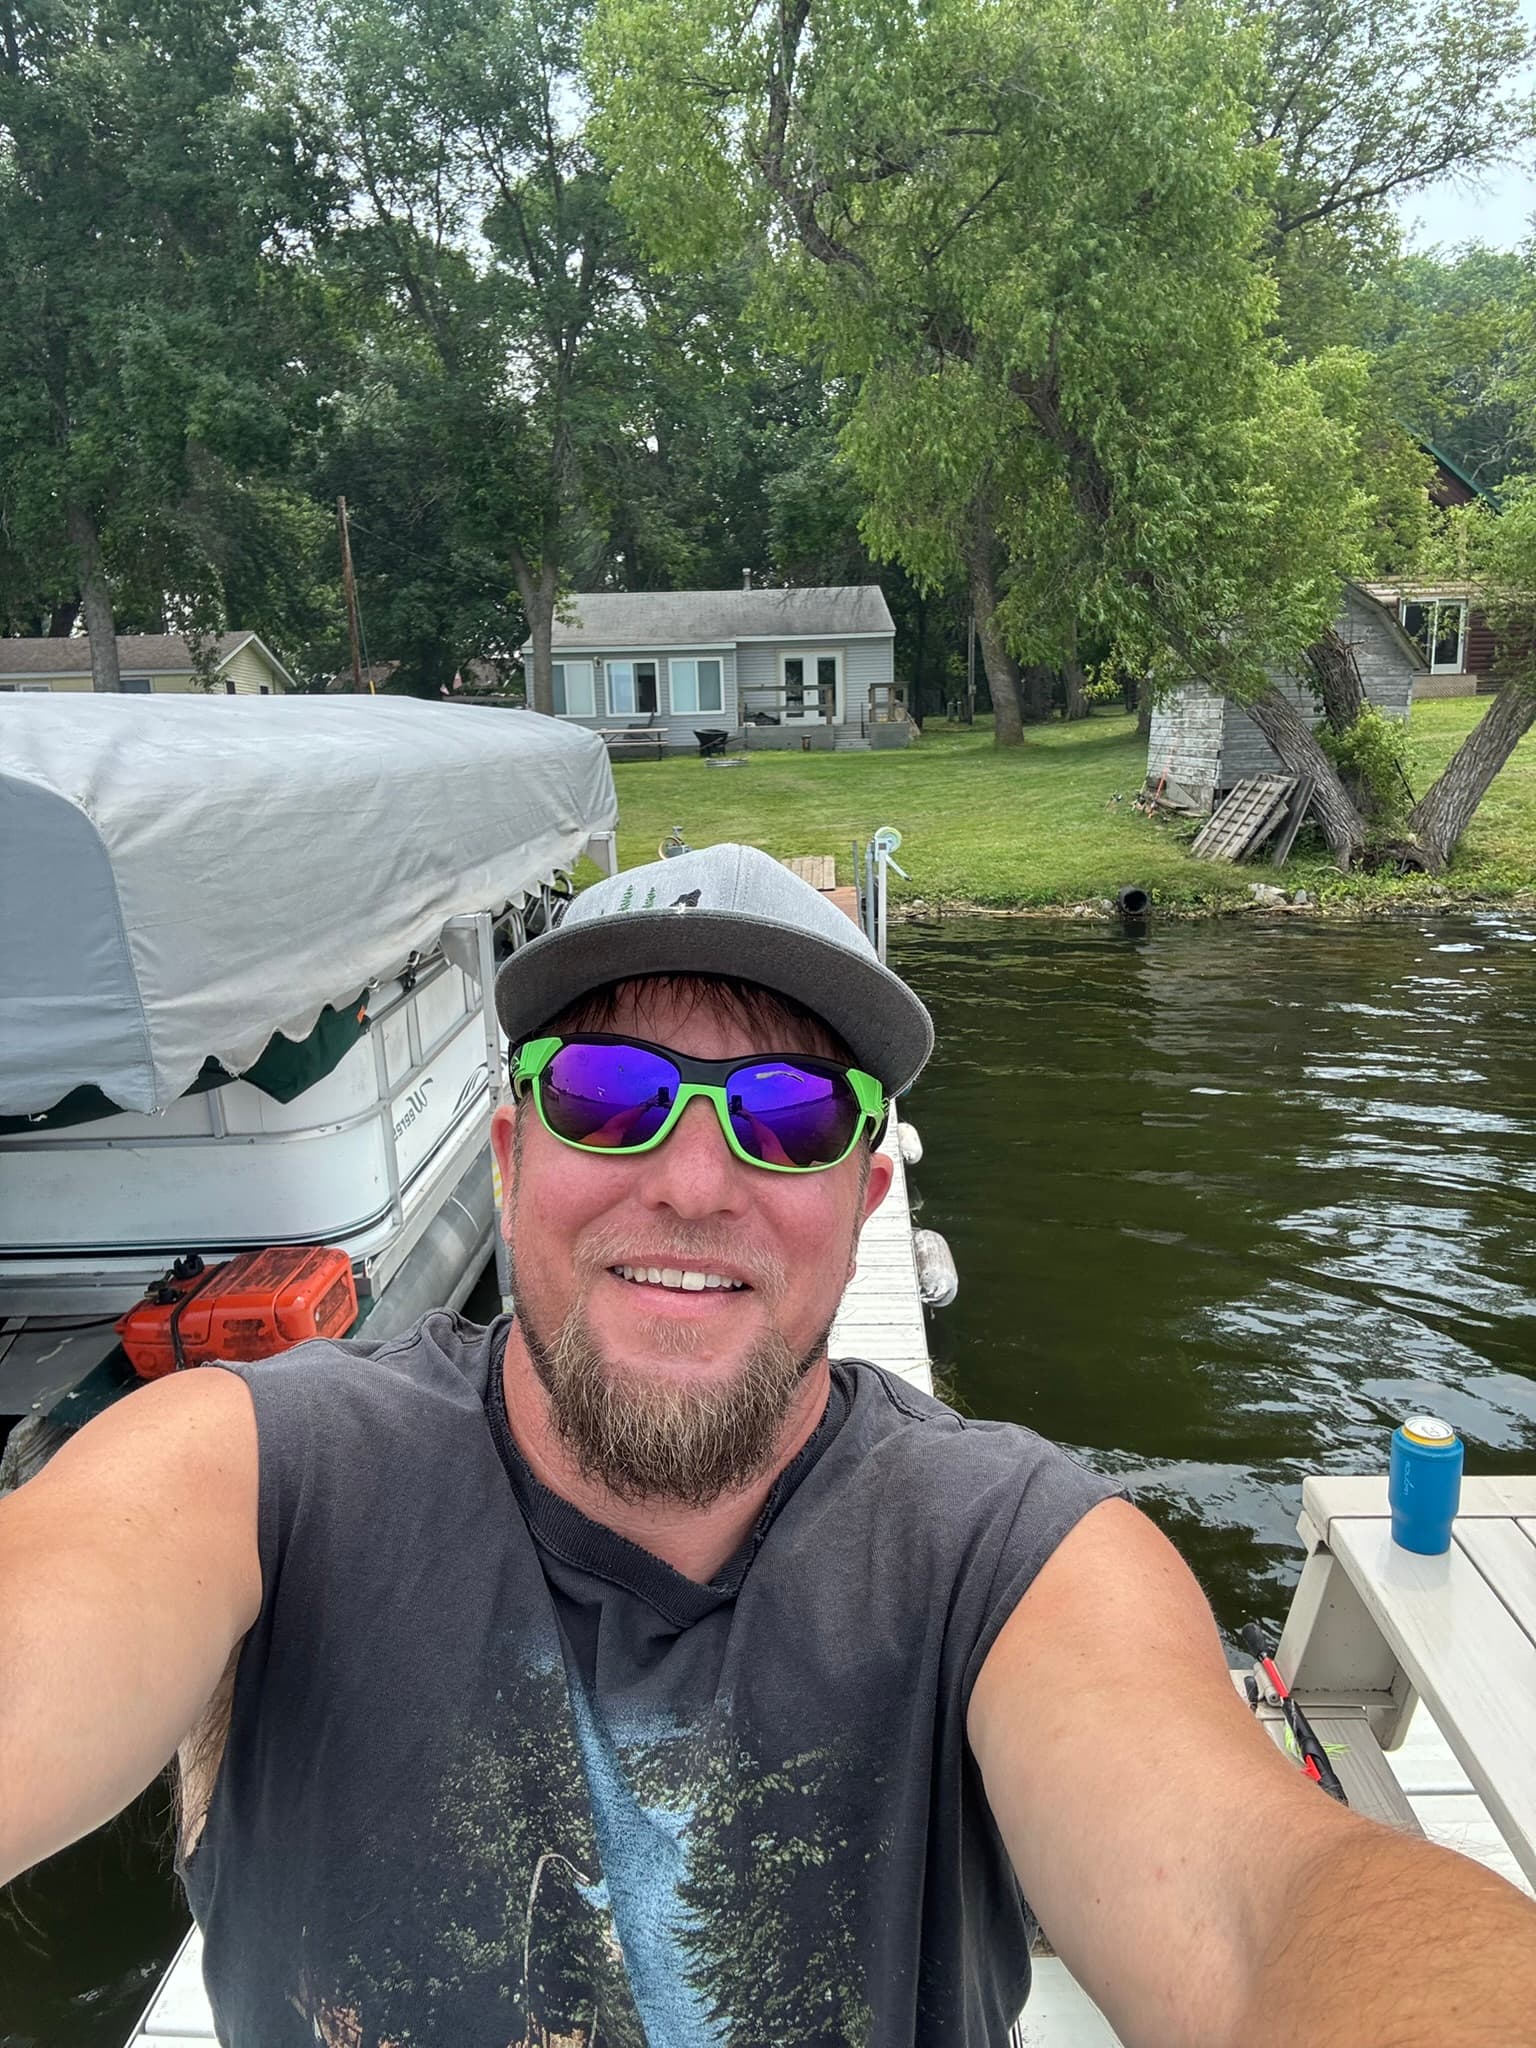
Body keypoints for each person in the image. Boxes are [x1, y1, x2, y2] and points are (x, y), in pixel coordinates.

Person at [2, 844, 1533, 2047]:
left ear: (864, 1199)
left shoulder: (1012, 1555)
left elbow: (1252, 1907)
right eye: (610, 1095)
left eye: (791, 1116)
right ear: (511, 1156)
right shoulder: (258, 1473)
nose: (689, 1182)